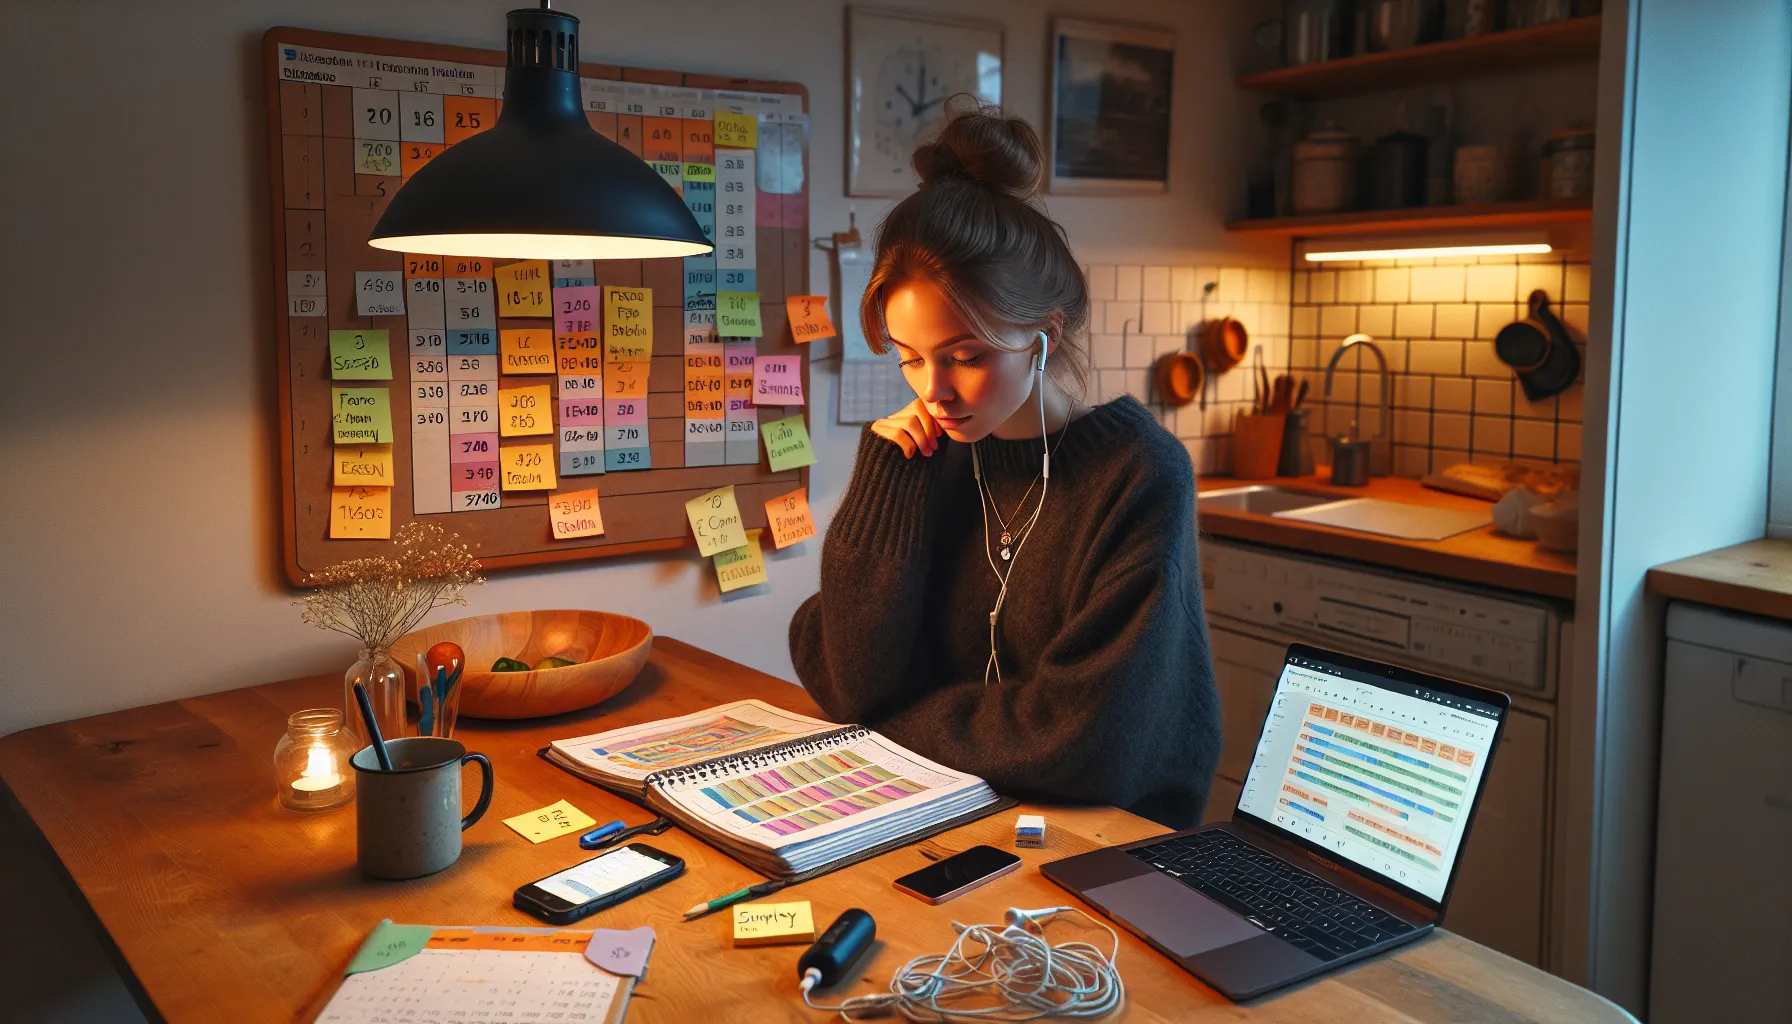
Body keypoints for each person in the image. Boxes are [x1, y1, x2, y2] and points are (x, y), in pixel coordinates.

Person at [788, 104, 1221, 829]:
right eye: (910, 357)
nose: (934, 389)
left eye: (966, 357)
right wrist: (884, 479)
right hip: (953, 815)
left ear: (1043, 335)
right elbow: (846, 670)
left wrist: (895, 717)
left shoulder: (1139, 475)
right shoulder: (933, 455)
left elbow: (1082, 738)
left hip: (1104, 844)